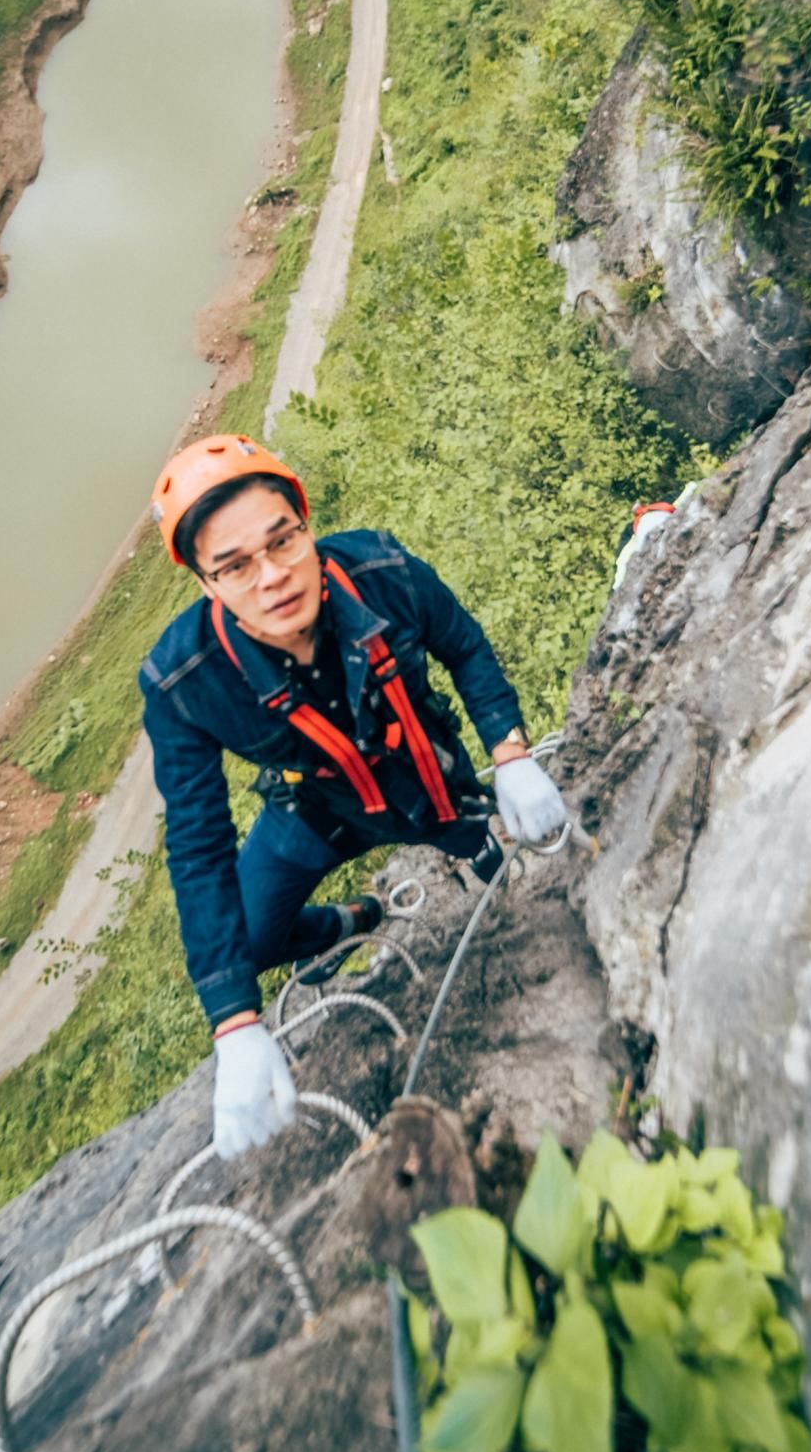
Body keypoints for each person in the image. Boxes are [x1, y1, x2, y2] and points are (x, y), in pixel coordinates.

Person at [139, 434, 567, 1160]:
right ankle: (353, 919)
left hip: (421, 778)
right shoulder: (184, 682)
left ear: (306, 525)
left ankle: (479, 849)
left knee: (504, 878)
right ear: (206, 585)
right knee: (254, 939)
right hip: (316, 809)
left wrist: (511, 754)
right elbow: (198, 844)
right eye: (235, 566)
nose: (272, 576)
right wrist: (234, 1021)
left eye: (283, 541)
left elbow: (462, 644)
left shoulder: (381, 569)